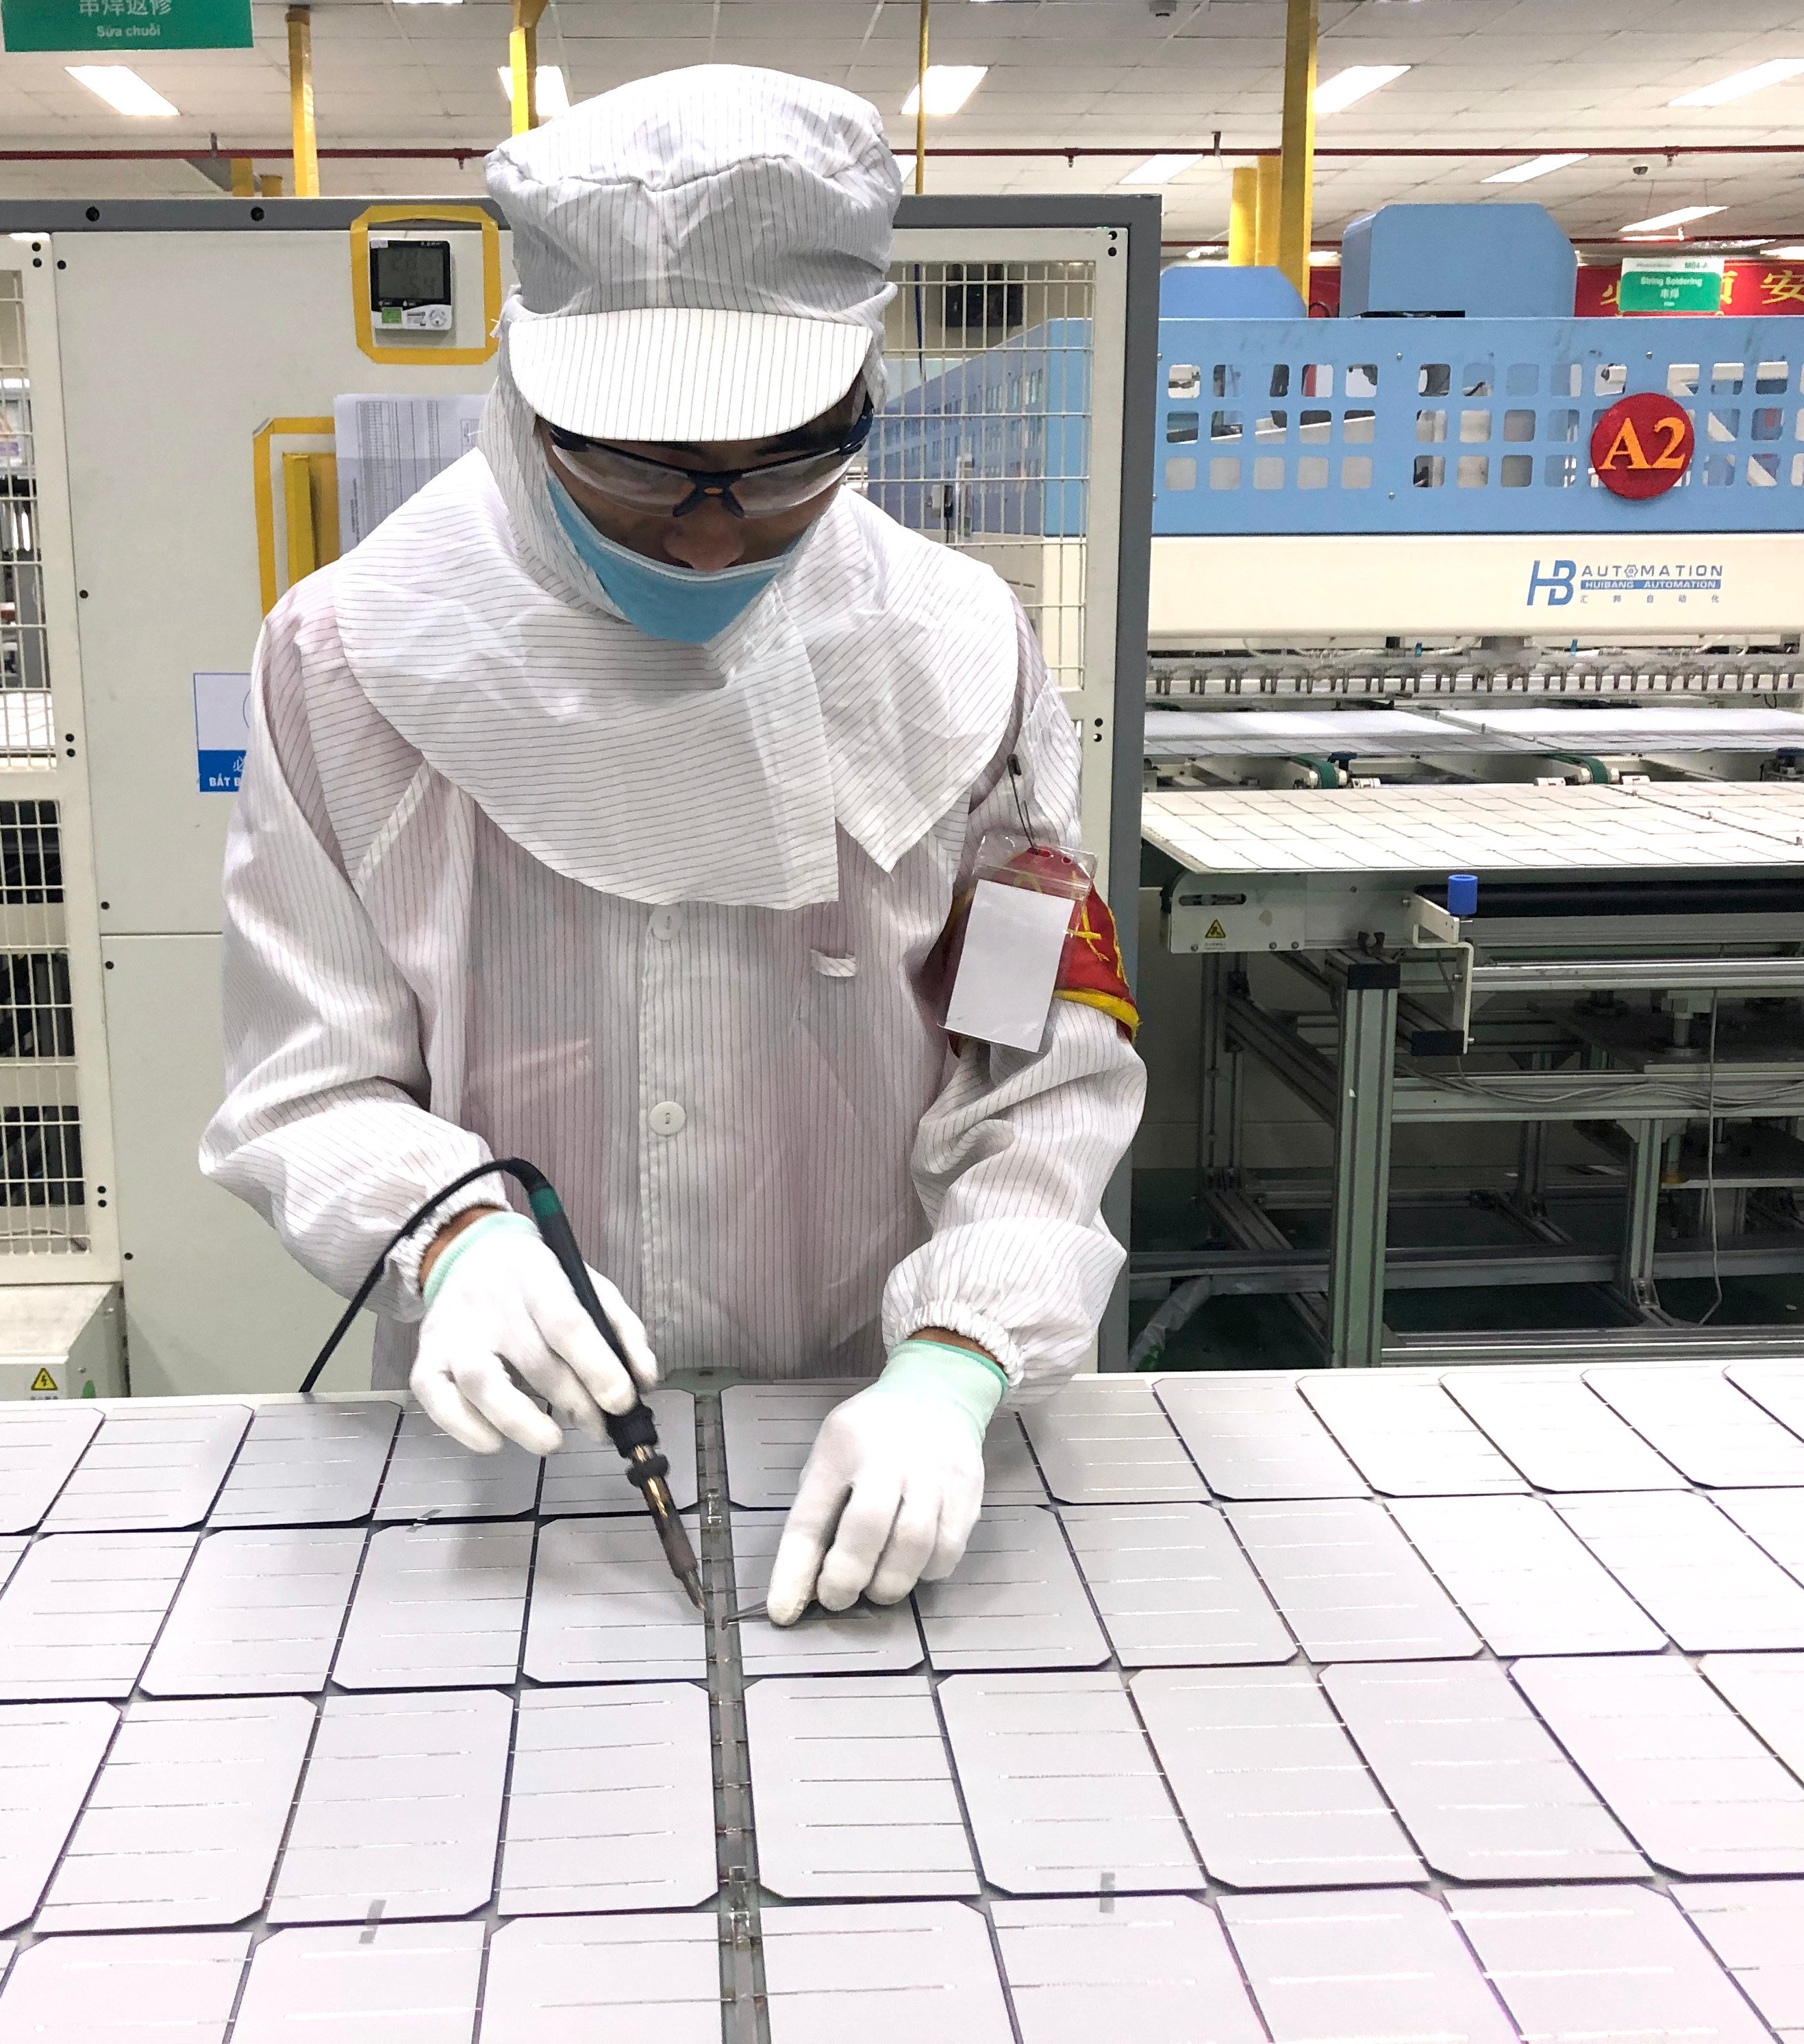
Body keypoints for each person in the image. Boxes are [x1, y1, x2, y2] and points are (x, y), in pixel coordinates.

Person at [201, 65, 1144, 1625]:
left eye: (784, 465)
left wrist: (962, 1357)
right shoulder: (352, 660)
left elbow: (1032, 1063)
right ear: (528, 399)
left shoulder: (958, 654)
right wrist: (450, 1233)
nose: (713, 532)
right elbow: (306, 1080)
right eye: (639, 471)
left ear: (860, 396)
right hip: (519, 1452)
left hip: (875, 1418)